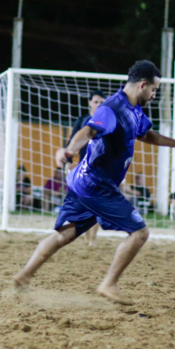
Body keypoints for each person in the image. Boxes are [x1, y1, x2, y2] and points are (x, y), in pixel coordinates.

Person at [12, 60, 175, 304]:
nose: (154, 95)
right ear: (142, 85)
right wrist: (69, 149)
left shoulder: (134, 109)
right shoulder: (111, 108)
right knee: (139, 233)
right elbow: (89, 131)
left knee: (65, 234)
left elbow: (147, 134)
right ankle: (109, 283)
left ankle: (23, 276)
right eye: (154, 90)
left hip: (84, 182)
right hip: (96, 184)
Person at [67, 90, 105, 246]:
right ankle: (85, 236)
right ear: (90, 103)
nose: (98, 105)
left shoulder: (109, 121)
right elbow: (72, 141)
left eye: (102, 102)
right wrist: (68, 160)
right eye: (96, 102)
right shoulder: (82, 121)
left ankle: (92, 240)